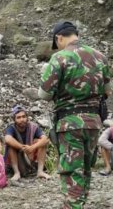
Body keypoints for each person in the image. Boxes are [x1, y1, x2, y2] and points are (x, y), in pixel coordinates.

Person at [39, 21, 112, 209]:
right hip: (94, 123)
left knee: (72, 172)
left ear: (59, 38)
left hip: (69, 124)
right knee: (86, 170)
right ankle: (79, 204)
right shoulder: (100, 56)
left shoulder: (59, 58)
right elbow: (107, 91)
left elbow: (44, 94)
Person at [4, 105, 51, 180]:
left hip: (30, 156)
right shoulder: (11, 128)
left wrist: (32, 147)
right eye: (18, 117)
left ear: (27, 117)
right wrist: (23, 148)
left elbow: (45, 139)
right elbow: (7, 139)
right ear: (14, 120)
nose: (22, 119)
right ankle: (17, 173)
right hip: (18, 159)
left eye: (23, 116)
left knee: (41, 142)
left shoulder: (33, 127)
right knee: (10, 145)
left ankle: (40, 171)